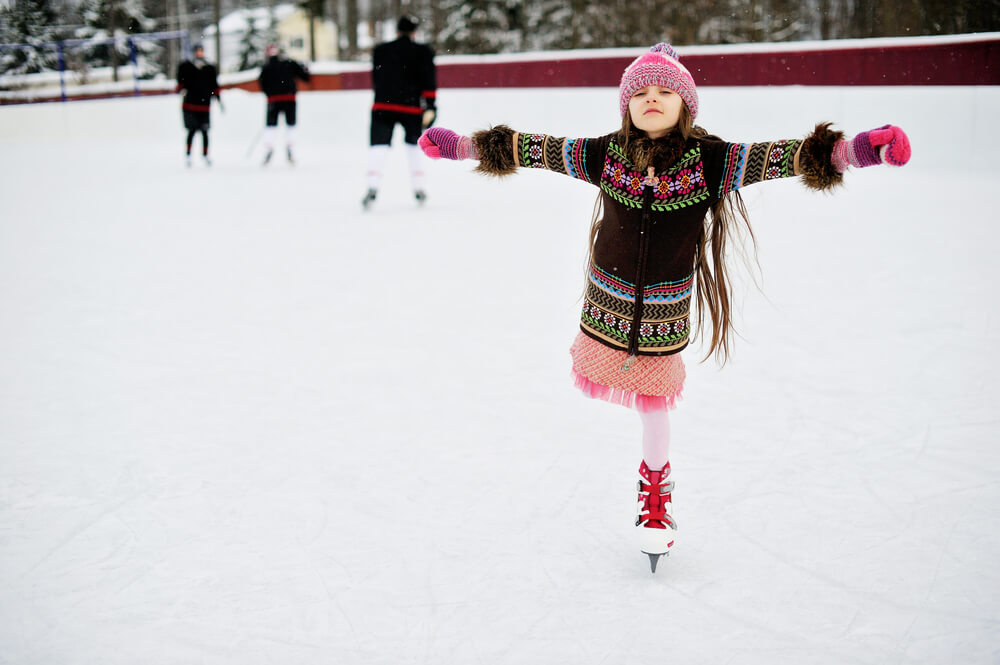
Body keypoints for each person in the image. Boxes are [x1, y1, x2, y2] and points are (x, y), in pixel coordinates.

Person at [418, 43, 911, 572]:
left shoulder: (710, 163)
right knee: (635, 397)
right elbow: (535, 148)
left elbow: (781, 157)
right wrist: (465, 147)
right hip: (605, 307)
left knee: (654, 406)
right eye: (641, 92)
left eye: (665, 91)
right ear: (626, 104)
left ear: (686, 106)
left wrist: (856, 151)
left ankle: (655, 497)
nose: (652, 99)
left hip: (661, 317)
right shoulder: (605, 154)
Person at [362, 15, 437, 209]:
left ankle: (372, 186)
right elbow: (429, 79)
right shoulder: (422, 52)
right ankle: (419, 188)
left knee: (378, 146)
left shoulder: (381, 50)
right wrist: (430, 104)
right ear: (414, 32)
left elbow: (376, 77)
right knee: (414, 146)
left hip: (382, 106)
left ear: (396, 31)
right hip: (411, 107)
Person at [257, 43, 311, 165]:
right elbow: (306, 77)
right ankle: (290, 148)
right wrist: (306, 68)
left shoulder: (267, 67)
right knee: (290, 125)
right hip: (289, 98)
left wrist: (270, 94)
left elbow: (262, 83)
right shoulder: (289, 64)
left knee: (271, 126)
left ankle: (268, 149)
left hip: (274, 100)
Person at [176, 43, 221, 167]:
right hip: (190, 105)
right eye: (197, 51)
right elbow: (180, 83)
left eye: (201, 51)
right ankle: (188, 155)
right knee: (191, 131)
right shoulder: (186, 67)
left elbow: (214, 85)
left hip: (204, 105)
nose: (199, 53)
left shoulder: (209, 68)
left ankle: (205, 155)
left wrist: (218, 98)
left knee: (205, 131)